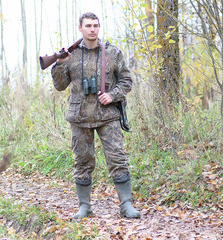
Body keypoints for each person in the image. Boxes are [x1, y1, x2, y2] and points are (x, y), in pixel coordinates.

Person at [51, 12, 140, 219]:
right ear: (80, 28)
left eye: (96, 25)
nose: (92, 29)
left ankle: (126, 205)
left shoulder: (112, 53)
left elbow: (126, 81)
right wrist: (60, 63)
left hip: (107, 115)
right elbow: (60, 85)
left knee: (117, 158)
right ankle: (85, 207)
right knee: (82, 161)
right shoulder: (70, 55)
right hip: (79, 117)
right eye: (88, 25)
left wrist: (112, 95)